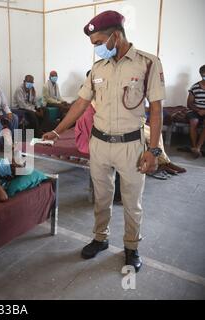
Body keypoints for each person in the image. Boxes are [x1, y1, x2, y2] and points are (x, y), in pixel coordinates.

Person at [43, 11, 166, 272]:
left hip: (130, 146)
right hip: (99, 144)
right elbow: (81, 103)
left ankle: (132, 247)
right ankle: (100, 238)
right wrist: (57, 131)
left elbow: (156, 110)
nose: (96, 48)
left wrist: (153, 150)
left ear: (116, 36)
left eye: (98, 42)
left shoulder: (147, 63)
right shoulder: (98, 68)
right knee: (101, 197)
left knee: (132, 202)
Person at [186, 65, 205, 158]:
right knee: (194, 122)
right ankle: (194, 147)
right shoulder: (195, 87)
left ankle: (198, 147)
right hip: (195, 110)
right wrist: (198, 110)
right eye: (203, 75)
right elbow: (189, 103)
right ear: (201, 75)